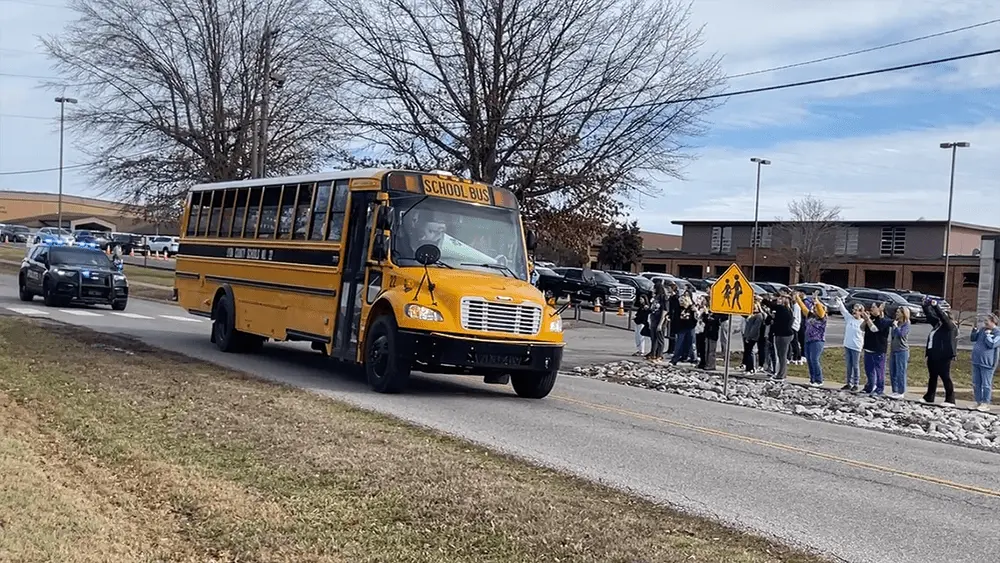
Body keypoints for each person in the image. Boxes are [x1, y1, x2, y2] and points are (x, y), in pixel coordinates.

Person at [922, 297, 957, 406]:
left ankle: (950, 399)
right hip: (933, 355)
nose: (940, 318)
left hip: (943, 356)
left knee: (945, 377)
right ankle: (929, 397)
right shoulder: (938, 325)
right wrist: (925, 306)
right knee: (932, 376)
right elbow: (929, 316)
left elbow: (943, 317)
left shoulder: (949, 326)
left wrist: (936, 306)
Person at [860, 303, 893, 397]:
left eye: (873, 307)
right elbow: (862, 328)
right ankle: (869, 387)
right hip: (868, 348)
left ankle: (879, 389)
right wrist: (865, 320)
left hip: (878, 349)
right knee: (869, 370)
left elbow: (874, 329)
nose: (871, 309)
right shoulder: (870, 318)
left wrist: (867, 319)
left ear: (880, 309)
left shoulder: (883, 320)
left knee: (879, 371)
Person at [969, 313, 1000, 412]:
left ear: (993, 321)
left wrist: (988, 335)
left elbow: (992, 344)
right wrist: (974, 330)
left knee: (986, 384)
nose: (985, 323)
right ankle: (978, 401)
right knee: (976, 383)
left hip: (987, 363)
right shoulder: (983, 330)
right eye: (984, 321)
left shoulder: (997, 332)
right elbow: (973, 338)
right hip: (976, 361)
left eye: (987, 321)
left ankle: (985, 403)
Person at [761, 294, 795, 381]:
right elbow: (770, 318)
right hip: (782, 334)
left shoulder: (782, 308)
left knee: (782, 355)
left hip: (784, 335)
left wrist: (762, 299)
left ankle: (781, 375)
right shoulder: (785, 310)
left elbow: (771, 305)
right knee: (780, 355)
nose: (778, 300)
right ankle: (781, 373)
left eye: (781, 298)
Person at [797, 292, 827, 386]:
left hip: (817, 341)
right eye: (813, 308)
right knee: (809, 360)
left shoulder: (822, 317)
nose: (813, 309)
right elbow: (803, 308)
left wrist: (816, 302)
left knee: (814, 359)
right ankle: (812, 379)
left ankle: (819, 380)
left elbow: (821, 312)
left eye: (815, 308)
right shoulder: (810, 315)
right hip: (808, 340)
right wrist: (797, 298)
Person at [836, 298, 865, 392]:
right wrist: (839, 302)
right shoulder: (849, 318)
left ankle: (856, 383)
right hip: (848, 345)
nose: (854, 312)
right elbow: (843, 311)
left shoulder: (862, 322)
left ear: (861, 312)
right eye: (854, 309)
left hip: (856, 346)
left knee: (855, 366)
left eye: (857, 310)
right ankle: (849, 383)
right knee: (849, 365)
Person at [888, 307, 911, 399]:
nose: (896, 314)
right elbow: (893, 336)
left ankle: (901, 391)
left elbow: (901, 334)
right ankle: (895, 390)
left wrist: (896, 327)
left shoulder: (906, 324)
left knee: (900, 371)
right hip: (894, 350)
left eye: (898, 312)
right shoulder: (896, 322)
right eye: (896, 312)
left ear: (903, 313)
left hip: (902, 351)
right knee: (892, 371)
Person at [670, 292, 698, 365]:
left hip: (690, 327)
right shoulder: (679, 307)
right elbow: (675, 317)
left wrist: (694, 310)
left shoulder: (692, 307)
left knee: (692, 343)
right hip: (681, 327)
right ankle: (675, 359)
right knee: (679, 343)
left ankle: (693, 358)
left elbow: (696, 317)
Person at [646, 281, 668, 363]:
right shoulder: (655, 298)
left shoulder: (663, 298)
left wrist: (661, 323)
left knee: (660, 339)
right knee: (653, 338)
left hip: (660, 320)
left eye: (654, 288)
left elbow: (665, 311)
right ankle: (653, 354)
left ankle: (660, 355)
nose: (652, 290)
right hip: (653, 319)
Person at [742, 305, 764, 373]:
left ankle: (751, 368)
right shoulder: (752, 315)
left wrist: (749, 336)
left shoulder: (758, 316)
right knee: (747, 351)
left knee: (750, 351)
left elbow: (755, 328)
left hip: (752, 337)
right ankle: (748, 367)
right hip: (747, 335)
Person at [788, 290, 804, 365]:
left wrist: (790, 325)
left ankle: (797, 357)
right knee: (793, 342)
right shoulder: (793, 305)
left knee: (794, 343)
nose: (791, 298)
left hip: (794, 326)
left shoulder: (796, 306)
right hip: (794, 325)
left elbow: (794, 317)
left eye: (793, 297)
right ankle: (795, 356)